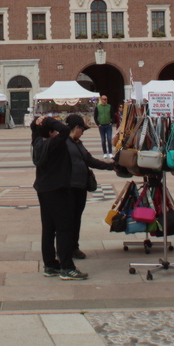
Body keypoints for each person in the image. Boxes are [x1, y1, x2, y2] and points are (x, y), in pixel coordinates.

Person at [32, 114, 114, 280]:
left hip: (43, 189)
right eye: (53, 130)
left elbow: (35, 129)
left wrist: (37, 122)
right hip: (57, 190)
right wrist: (47, 120)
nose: (57, 132)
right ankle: (67, 267)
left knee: (48, 229)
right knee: (64, 228)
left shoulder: (37, 143)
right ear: (50, 132)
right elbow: (64, 131)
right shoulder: (55, 143)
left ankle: (50, 265)